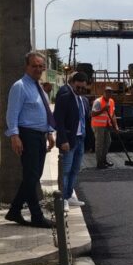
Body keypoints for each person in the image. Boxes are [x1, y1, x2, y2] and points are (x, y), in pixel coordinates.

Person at [4, 52, 56, 228]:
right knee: (32, 176)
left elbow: (44, 112)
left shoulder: (38, 87)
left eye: (41, 66)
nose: (38, 69)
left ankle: (15, 210)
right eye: (34, 66)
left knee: (33, 176)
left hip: (40, 135)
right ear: (26, 67)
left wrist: (49, 132)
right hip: (27, 135)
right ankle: (36, 216)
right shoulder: (19, 86)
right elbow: (12, 113)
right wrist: (14, 136)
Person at [54, 71, 88, 212]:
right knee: (65, 171)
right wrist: (63, 139)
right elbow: (58, 119)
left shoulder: (82, 99)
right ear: (72, 83)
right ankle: (62, 200)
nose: (80, 90)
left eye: (83, 88)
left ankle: (68, 195)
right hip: (68, 140)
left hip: (80, 139)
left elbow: (85, 120)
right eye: (78, 87)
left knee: (74, 170)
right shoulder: (65, 94)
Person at [91, 86, 119, 169]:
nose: (108, 93)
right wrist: (103, 109)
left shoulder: (111, 101)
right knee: (99, 144)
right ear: (104, 93)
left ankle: (104, 160)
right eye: (107, 92)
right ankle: (99, 163)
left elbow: (113, 115)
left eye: (110, 92)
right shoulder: (98, 101)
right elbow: (92, 114)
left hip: (107, 125)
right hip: (98, 125)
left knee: (107, 142)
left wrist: (116, 126)